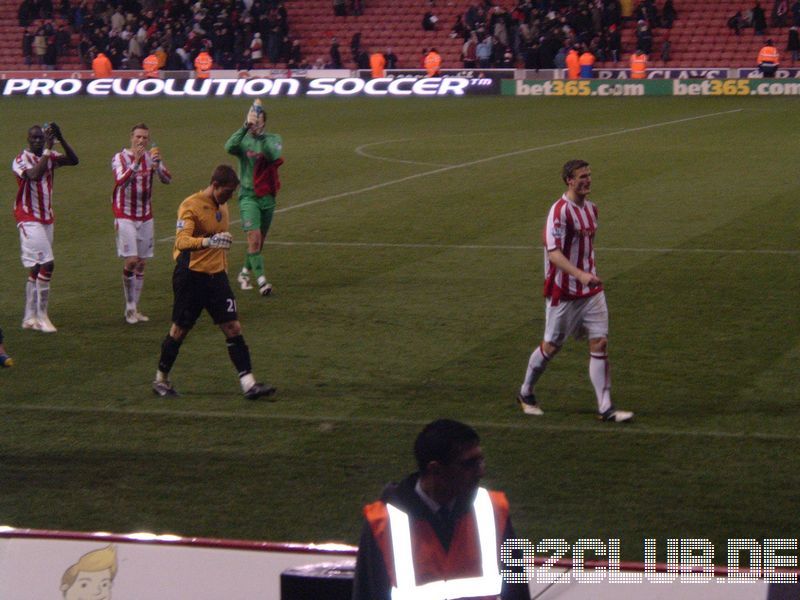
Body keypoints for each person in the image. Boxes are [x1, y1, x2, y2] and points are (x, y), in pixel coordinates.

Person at [351, 419, 530, 600]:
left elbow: (516, 588)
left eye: (480, 460)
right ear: (435, 470)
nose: (480, 472)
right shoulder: (382, 522)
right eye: (469, 464)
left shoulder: (493, 510)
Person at [517, 160, 633, 423]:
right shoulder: (558, 212)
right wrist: (580, 275)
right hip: (564, 291)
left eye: (590, 175)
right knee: (551, 346)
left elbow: (585, 249)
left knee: (600, 342)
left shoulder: (592, 209)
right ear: (569, 180)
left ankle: (606, 408)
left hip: (591, 291)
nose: (588, 180)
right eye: (582, 176)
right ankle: (525, 392)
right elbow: (554, 253)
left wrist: (588, 275)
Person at [152, 165, 276, 400]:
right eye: (227, 192)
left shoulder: (223, 205)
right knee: (179, 330)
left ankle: (249, 384)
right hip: (191, 276)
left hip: (216, 277)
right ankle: (160, 380)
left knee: (233, 327)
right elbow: (182, 241)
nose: (230, 198)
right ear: (215, 186)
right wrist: (209, 242)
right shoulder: (191, 205)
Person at [12, 122, 79, 333]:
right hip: (28, 218)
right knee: (48, 264)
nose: (38, 141)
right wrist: (48, 150)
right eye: (34, 138)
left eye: (41, 138)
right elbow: (34, 175)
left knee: (36, 267)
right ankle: (42, 318)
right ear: (28, 140)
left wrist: (61, 137)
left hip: (46, 218)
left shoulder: (49, 155)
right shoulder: (20, 160)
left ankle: (28, 317)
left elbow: (73, 160)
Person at [112, 123, 172, 324]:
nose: (141, 141)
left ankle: (135, 309)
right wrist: (136, 163)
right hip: (125, 214)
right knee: (131, 260)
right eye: (138, 137)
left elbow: (167, 180)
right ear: (131, 137)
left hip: (145, 216)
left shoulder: (151, 158)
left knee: (142, 263)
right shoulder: (119, 158)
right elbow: (121, 181)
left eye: (145, 138)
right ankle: (129, 307)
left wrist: (159, 165)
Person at [224, 99, 284, 296]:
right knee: (254, 237)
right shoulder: (244, 140)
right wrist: (244, 127)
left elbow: (272, 154)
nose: (255, 124)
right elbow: (229, 147)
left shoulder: (274, 138)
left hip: (267, 198)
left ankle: (243, 273)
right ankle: (262, 282)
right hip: (248, 196)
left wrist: (260, 136)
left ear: (264, 122)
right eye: (252, 120)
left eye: (258, 121)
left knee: (258, 242)